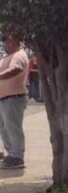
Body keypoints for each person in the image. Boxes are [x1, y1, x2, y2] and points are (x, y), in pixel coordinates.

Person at [0, 33, 30, 170]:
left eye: (6, 41)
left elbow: (16, 69)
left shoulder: (19, 55)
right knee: (4, 128)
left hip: (14, 98)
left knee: (13, 128)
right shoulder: (7, 56)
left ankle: (17, 157)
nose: (4, 44)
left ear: (13, 42)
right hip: (5, 99)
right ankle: (11, 154)